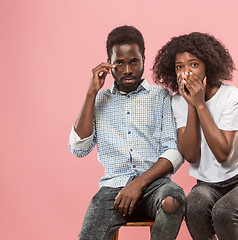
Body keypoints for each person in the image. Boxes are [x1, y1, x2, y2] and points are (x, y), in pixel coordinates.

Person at [69, 25, 185, 240]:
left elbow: (175, 152)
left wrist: (138, 184)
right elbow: (79, 148)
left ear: (143, 59)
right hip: (113, 190)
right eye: (119, 63)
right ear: (109, 63)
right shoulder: (99, 100)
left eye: (134, 61)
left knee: (174, 198)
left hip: (154, 187)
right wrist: (91, 93)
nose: (127, 70)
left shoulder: (161, 97)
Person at [153, 32, 238, 240]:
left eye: (193, 65)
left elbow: (222, 153)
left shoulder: (232, 96)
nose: (186, 72)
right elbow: (191, 155)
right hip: (206, 185)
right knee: (194, 207)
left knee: (225, 212)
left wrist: (200, 104)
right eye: (180, 66)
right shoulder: (177, 102)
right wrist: (190, 105)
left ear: (208, 66)